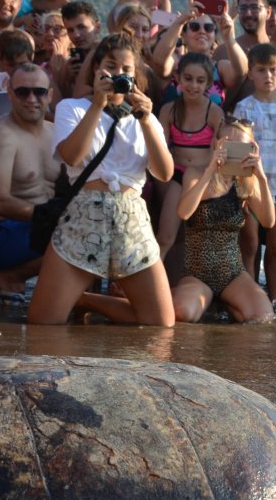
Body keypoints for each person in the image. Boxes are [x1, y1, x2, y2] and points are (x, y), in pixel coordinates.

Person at [26, 33, 174, 326]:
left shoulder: (147, 118)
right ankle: (75, 298)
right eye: (110, 66)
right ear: (96, 70)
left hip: (132, 221)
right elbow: (71, 156)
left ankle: (86, 300)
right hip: (84, 217)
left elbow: (165, 173)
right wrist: (96, 104)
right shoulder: (73, 108)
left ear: (136, 76)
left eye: (126, 69)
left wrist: (145, 120)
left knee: (161, 325)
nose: (118, 74)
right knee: (43, 324)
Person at [173, 116, 276, 322]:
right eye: (230, 145)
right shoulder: (196, 173)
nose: (235, 152)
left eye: (242, 147)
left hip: (233, 273)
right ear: (217, 144)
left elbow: (268, 222)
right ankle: (185, 296)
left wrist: (262, 178)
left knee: (263, 317)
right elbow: (183, 213)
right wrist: (211, 171)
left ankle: (227, 304)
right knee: (183, 314)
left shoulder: (247, 181)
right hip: (197, 273)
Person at [0, 63, 58, 303]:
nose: (32, 98)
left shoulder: (55, 133)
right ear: (9, 94)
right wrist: (50, 217)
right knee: (73, 234)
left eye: (40, 92)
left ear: (50, 95)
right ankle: (10, 277)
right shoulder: (1, 135)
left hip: (37, 228)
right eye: (23, 92)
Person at [233, 42, 276, 303]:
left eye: (273, 70)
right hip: (250, 189)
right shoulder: (244, 108)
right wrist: (240, 189)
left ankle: (274, 300)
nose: (268, 76)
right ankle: (251, 297)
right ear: (250, 73)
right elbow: (239, 150)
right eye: (261, 70)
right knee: (249, 245)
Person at [153, 52, 224, 281]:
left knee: (204, 240)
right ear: (178, 78)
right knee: (165, 238)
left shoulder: (213, 112)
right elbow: (161, 149)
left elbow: (219, 155)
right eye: (188, 78)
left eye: (200, 80)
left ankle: (209, 288)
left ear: (208, 83)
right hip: (176, 175)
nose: (194, 85)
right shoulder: (169, 110)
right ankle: (152, 284)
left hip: (204, 177)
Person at [150, 0, 246, 106]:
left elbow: (241, 72)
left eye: (208, 28)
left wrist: (229, 37)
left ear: (214, 36)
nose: (202, 31)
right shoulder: (175, 65)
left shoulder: (220, 69)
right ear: (184, 36)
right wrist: (180, 22)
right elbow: (159, 61)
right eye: (195, 27)